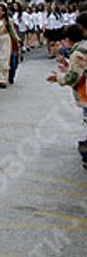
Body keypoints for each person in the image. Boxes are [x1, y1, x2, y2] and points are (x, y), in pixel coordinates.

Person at [46, 24, 87, 171]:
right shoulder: (83, 47)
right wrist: (68, 67)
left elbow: (73, 78)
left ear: (69, 39)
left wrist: (57, 77)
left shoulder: (78, 52)